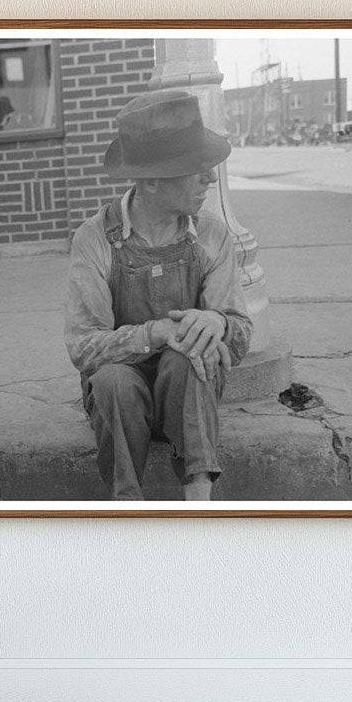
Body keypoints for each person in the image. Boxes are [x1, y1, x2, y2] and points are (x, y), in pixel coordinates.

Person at [64, 90, 253, 502]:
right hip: (119, 400)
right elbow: (82, 347)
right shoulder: (95, 238)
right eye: (194, 168)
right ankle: (127, 505)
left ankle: (198, 501)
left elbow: (240, 333)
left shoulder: (213, 236)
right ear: (149, 180)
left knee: (193, 354)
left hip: (188, 393)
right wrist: (156, 332)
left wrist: (218, 322)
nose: (209, 178)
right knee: (113, 379)